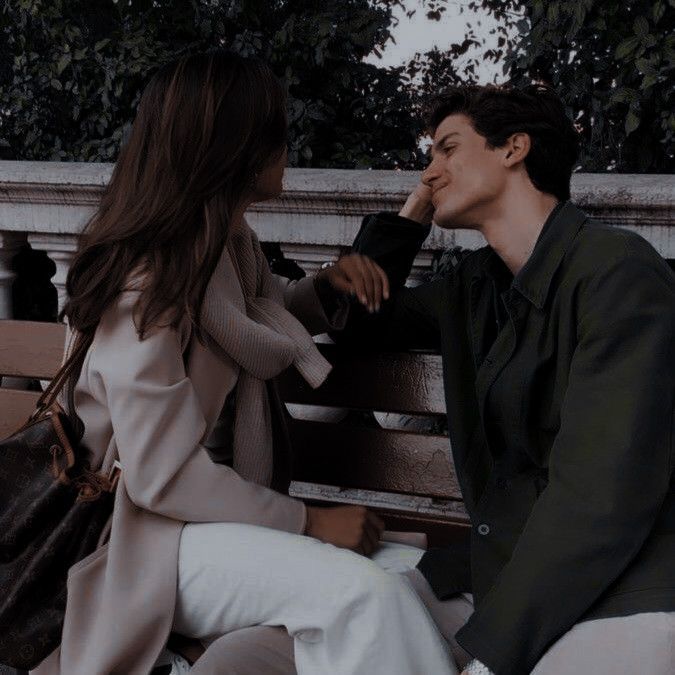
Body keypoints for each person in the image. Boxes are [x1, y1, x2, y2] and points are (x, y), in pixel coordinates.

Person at [30, 50, 457, 675]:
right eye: (275, 131)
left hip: (219, 519)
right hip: (144, 539)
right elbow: (161, 479)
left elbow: (254, 321)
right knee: (366, 596)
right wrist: (309, 521)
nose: (288, 145)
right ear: (235, 147)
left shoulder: (226, 246)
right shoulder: (147, 279)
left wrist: (326, 290)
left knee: (414, 576)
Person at [332, 84, 675, 674]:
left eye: (447, 149)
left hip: (622, 595)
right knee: (276, 642)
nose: (430, 171)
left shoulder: (617, 274)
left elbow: (597, 498)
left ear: (514, 148)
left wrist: (491, 656)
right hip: (503, 574)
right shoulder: (474, 284)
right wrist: (413, 211)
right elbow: (360, 325)